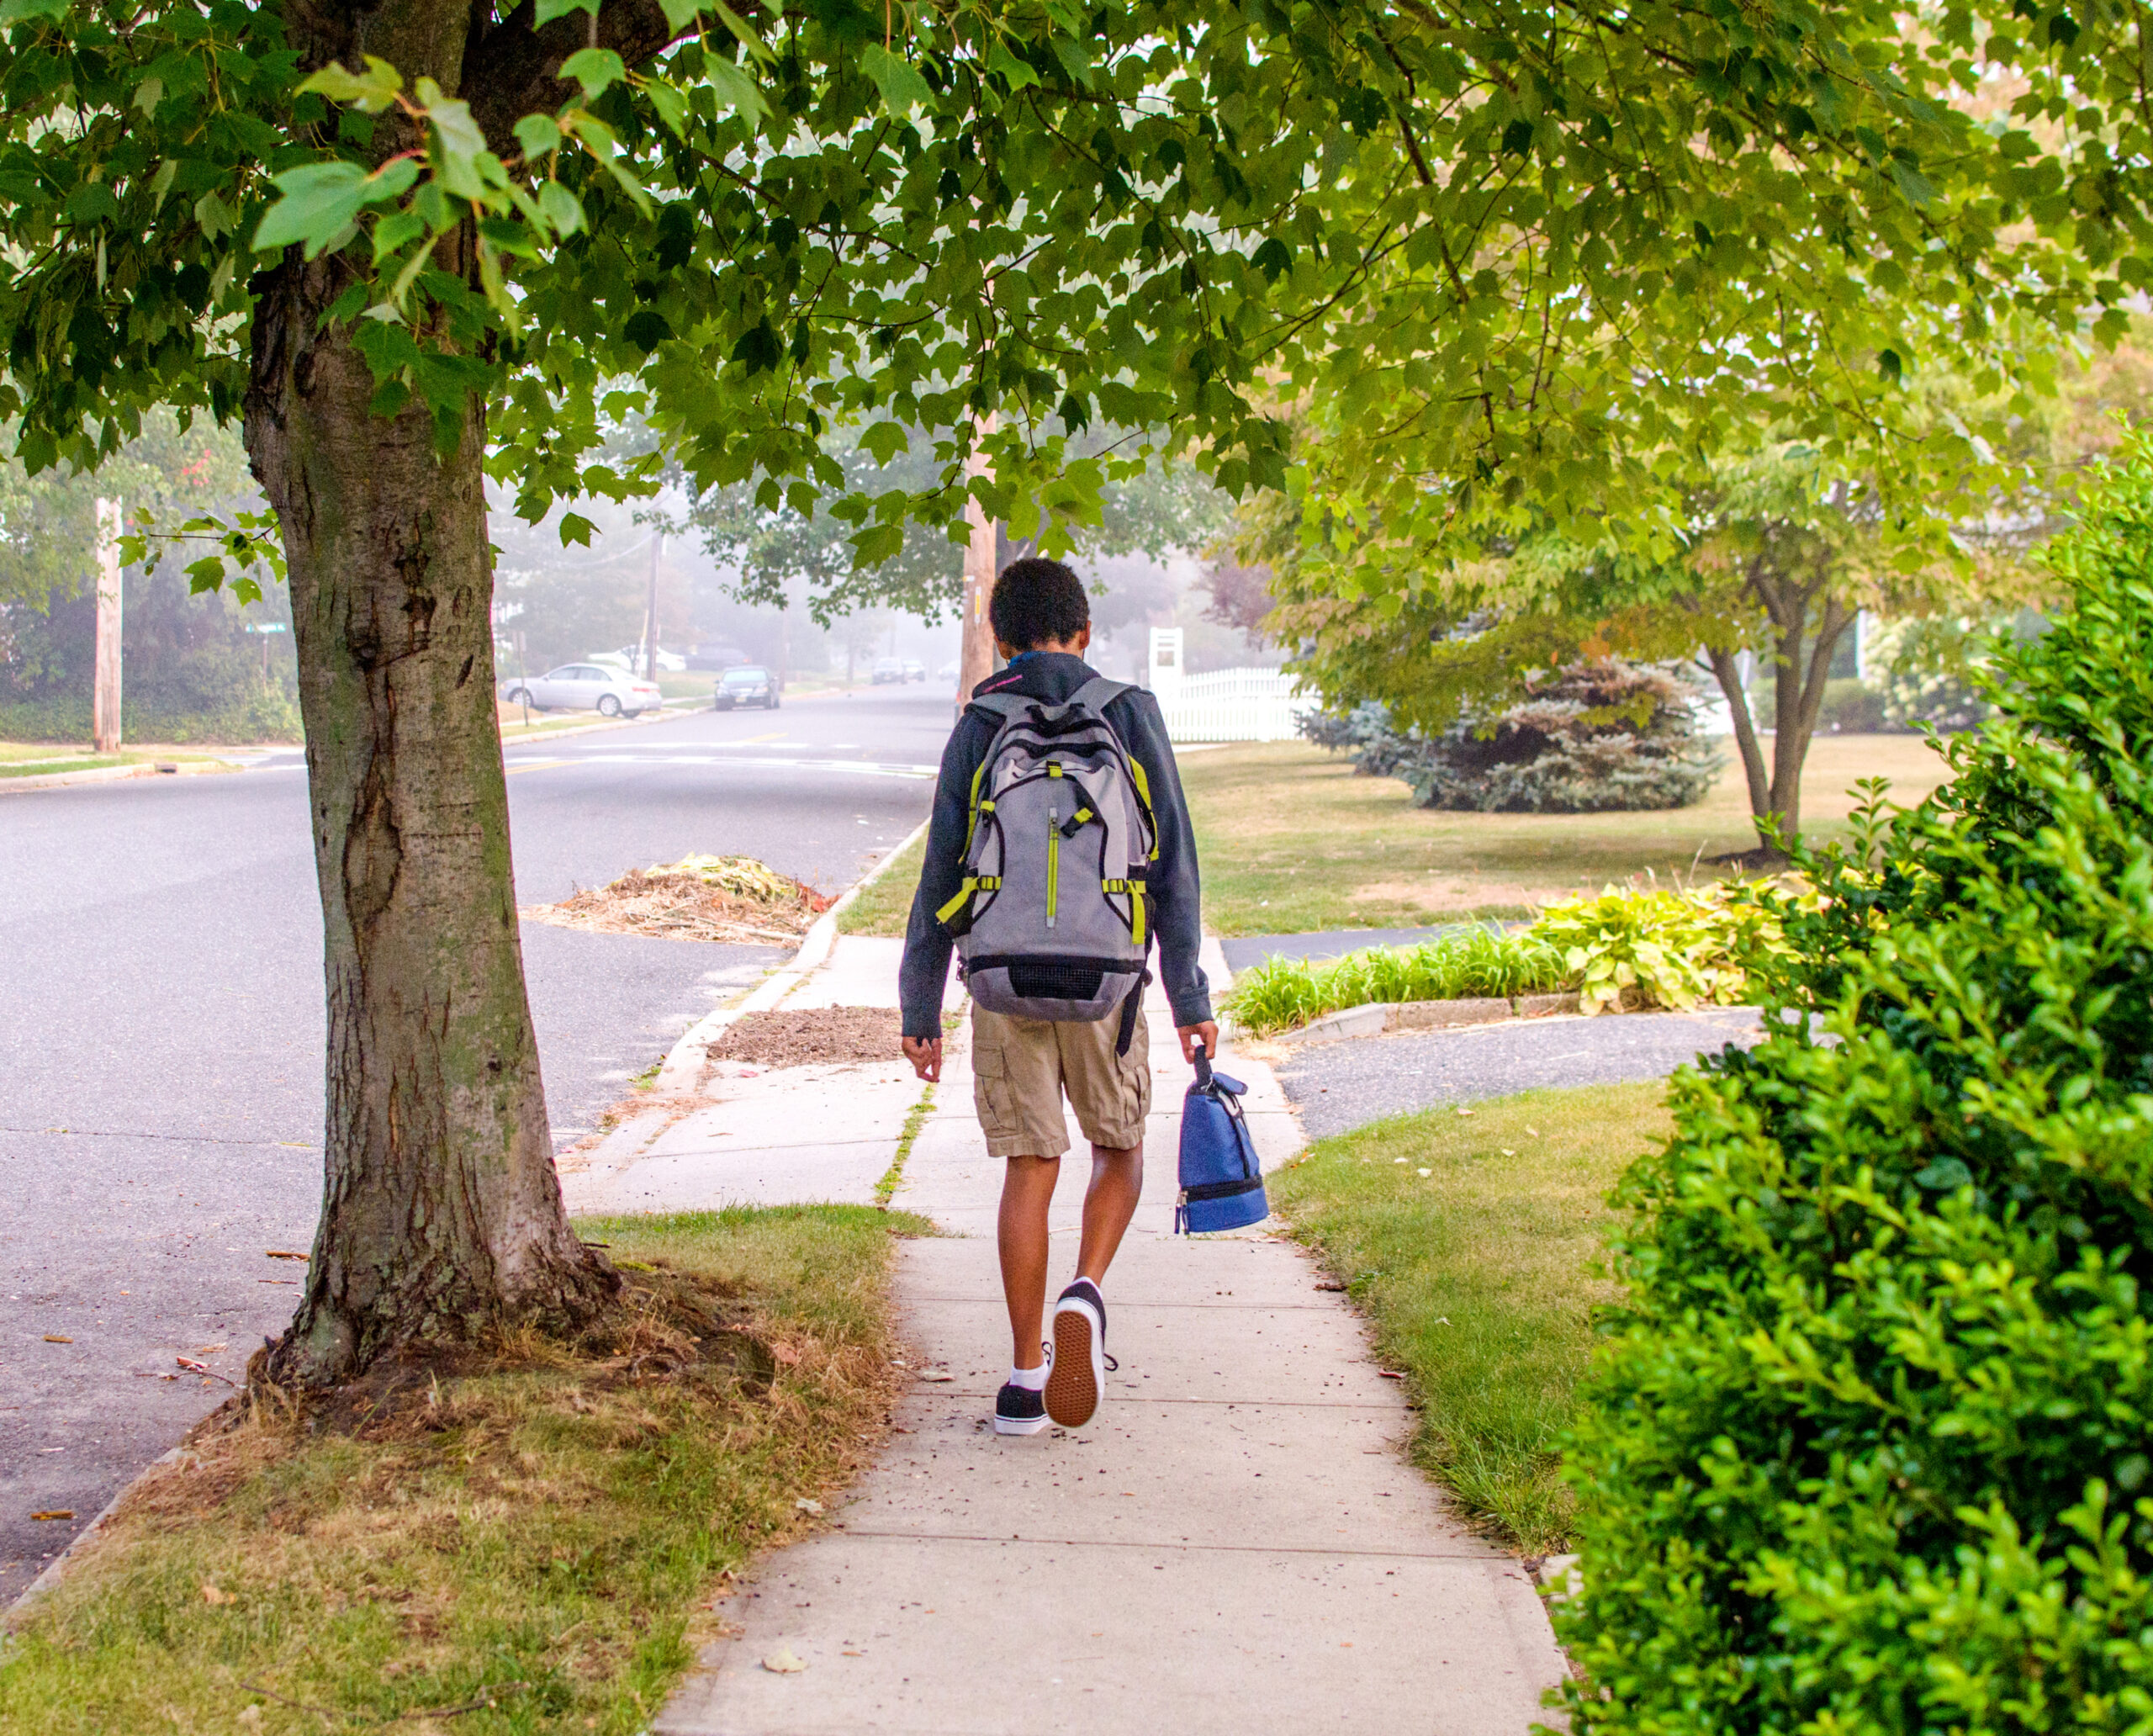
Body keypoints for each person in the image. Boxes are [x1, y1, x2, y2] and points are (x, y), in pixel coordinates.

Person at [900, 556, 1216, 1435]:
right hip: (1106, 981)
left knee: (1029, 1167)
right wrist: (1188, 995)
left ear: (998, 639)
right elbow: (1174, 864)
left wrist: (918, 1008)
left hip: (1002, 980)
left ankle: (1023, 1377)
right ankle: (1087, 1291)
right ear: (1083, 633)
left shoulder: (982, 721)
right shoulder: (1127, 711)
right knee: (1116, 1148)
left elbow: (940, 872)